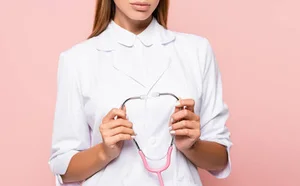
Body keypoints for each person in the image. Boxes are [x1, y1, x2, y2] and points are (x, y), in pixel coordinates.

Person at [47, 0, 232, 185]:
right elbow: (64, 170)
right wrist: (104, 151)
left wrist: (192, 147)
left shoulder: (197, 51)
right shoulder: (77, 60)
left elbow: (220, 159)